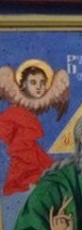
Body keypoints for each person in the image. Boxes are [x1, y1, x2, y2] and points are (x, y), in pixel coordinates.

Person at [0, 64, 58, 195]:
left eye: (42, 82)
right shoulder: (17, 113)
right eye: (33, 82)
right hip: (23, 152)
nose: (39, 86)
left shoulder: (30, 110)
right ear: (23, 85)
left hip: (31, 151)